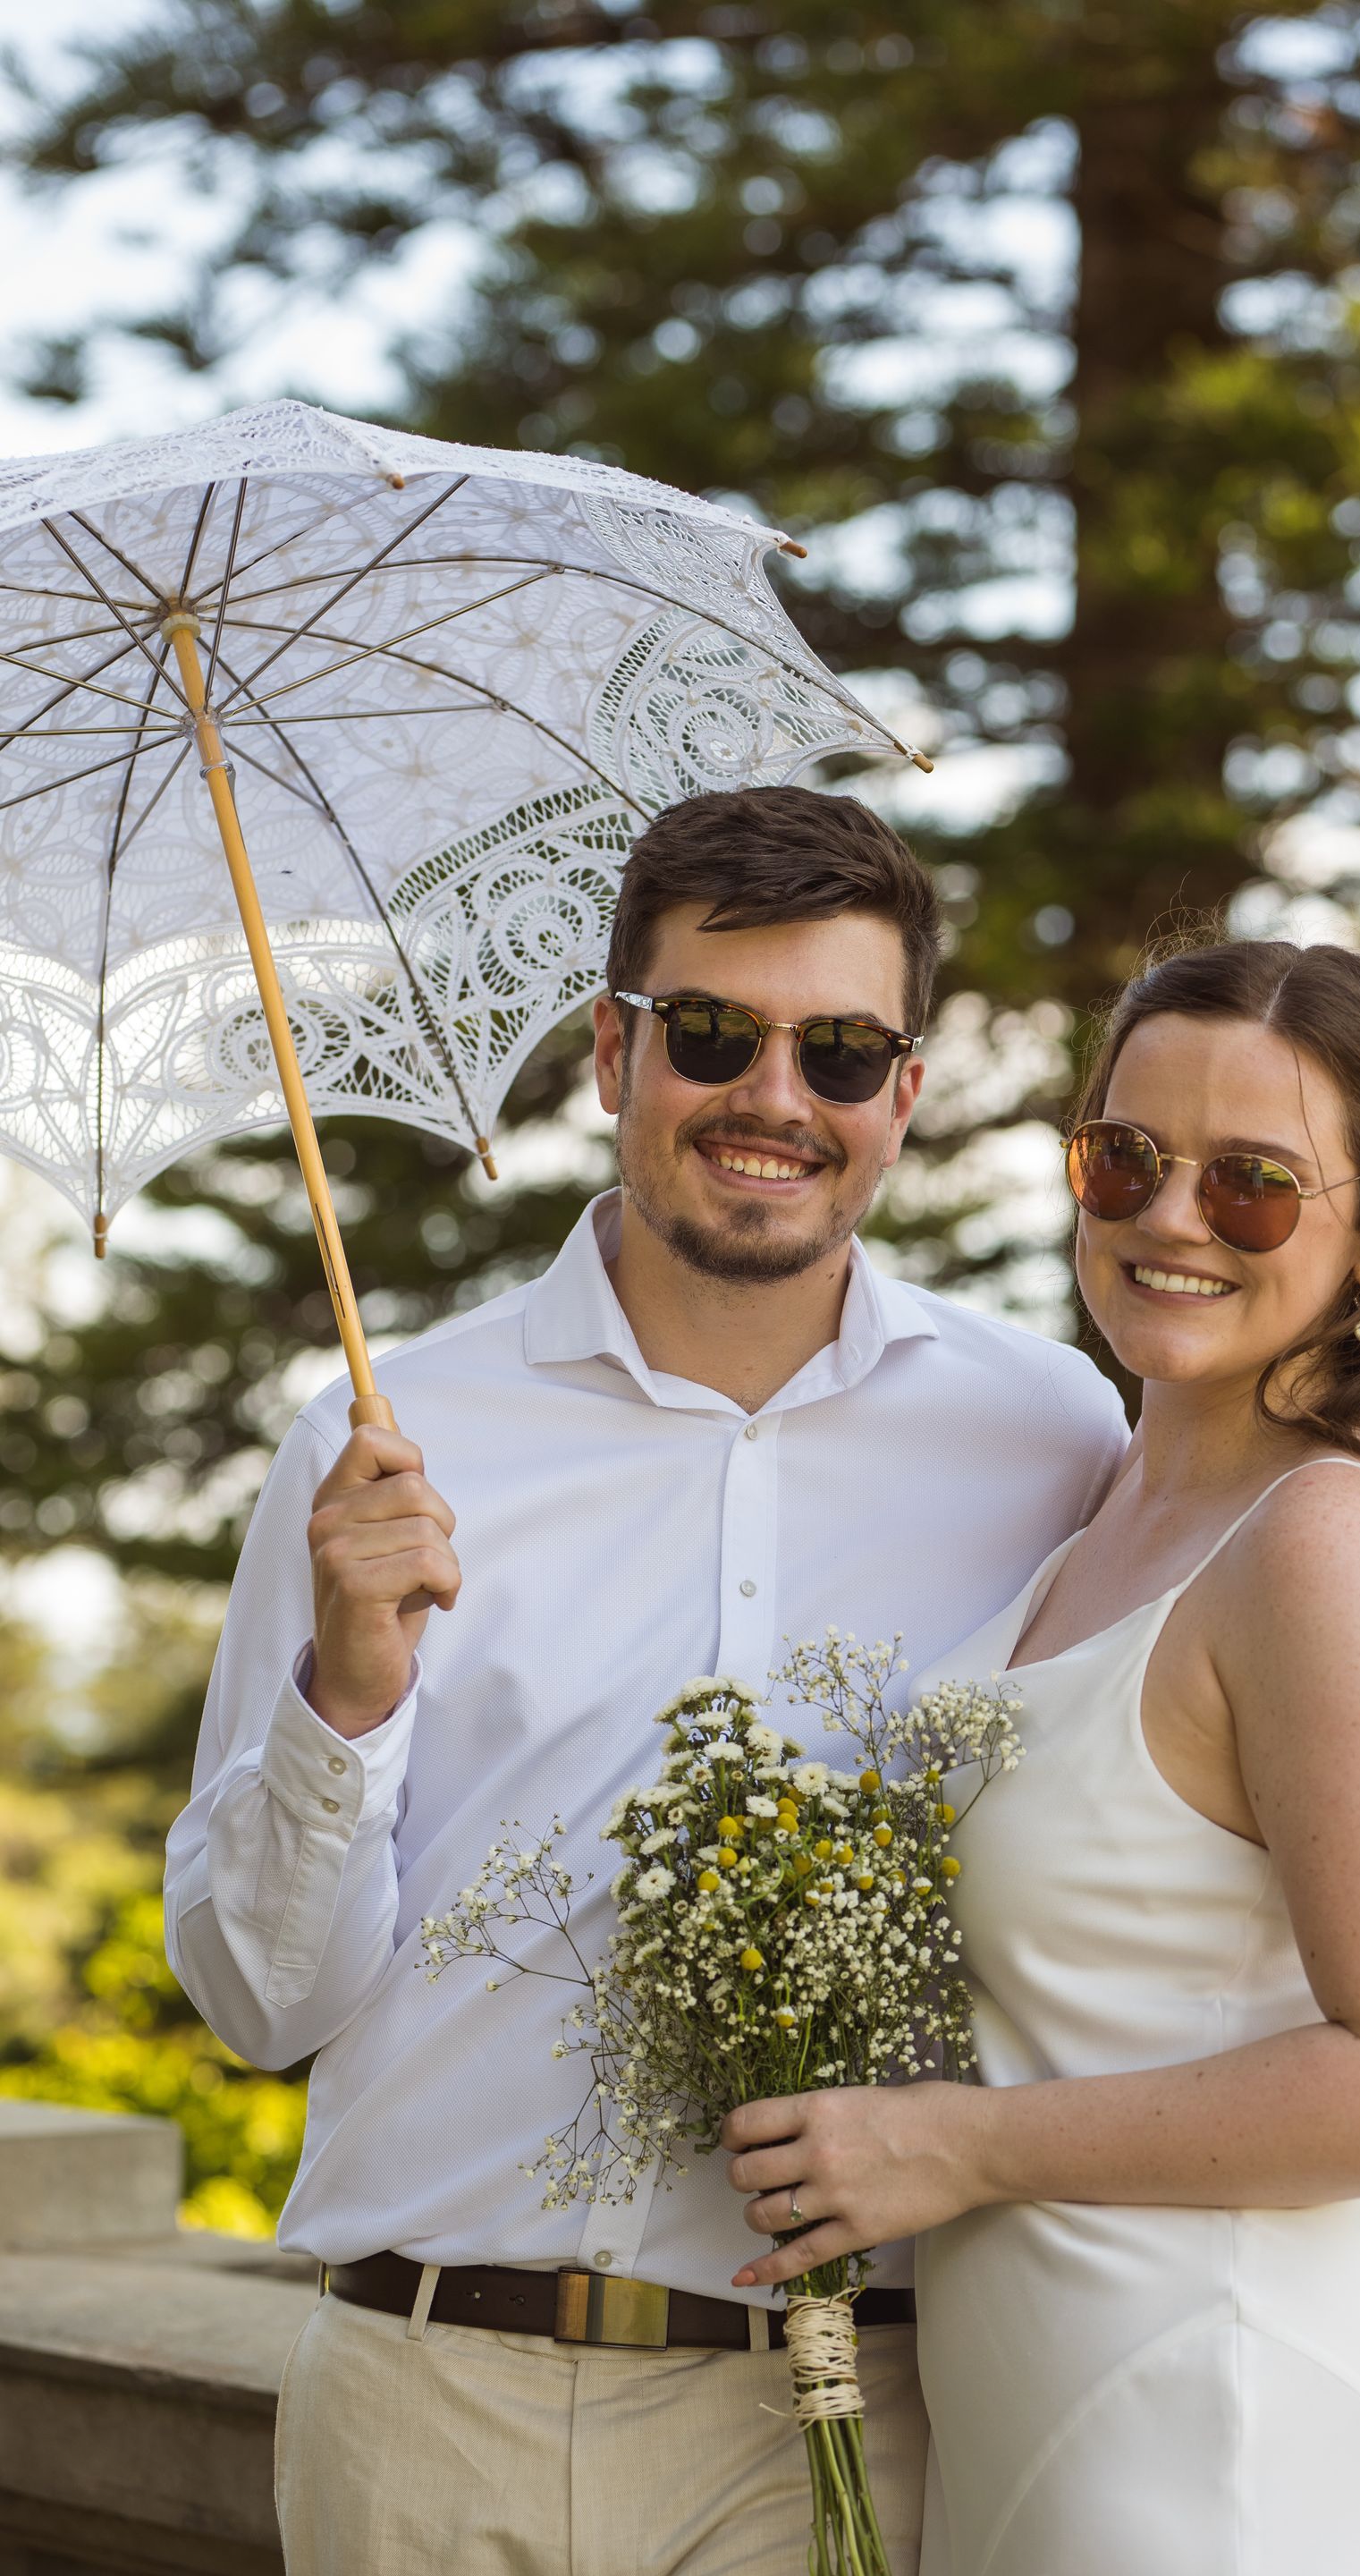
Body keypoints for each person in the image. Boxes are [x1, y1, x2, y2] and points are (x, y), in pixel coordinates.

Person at [163, 784, 1128, 2576]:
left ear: (904, 1096)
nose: (777, 1099)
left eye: (841, 1050)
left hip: (845, 2420)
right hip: (423, 2406)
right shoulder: (385, 1441)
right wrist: (348, 1696)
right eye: (712, 1034)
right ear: (612, 1053)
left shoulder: (1054, 1439)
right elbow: (258, 2004)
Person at [721, 935, 1360, 2576]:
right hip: (1054, 2431)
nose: (1168, 1218)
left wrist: (953, 2144)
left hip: (1229, 2454)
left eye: (1253, 1186)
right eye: (1125, 1160)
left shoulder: (1327, 1541)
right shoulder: (1109, 1510)